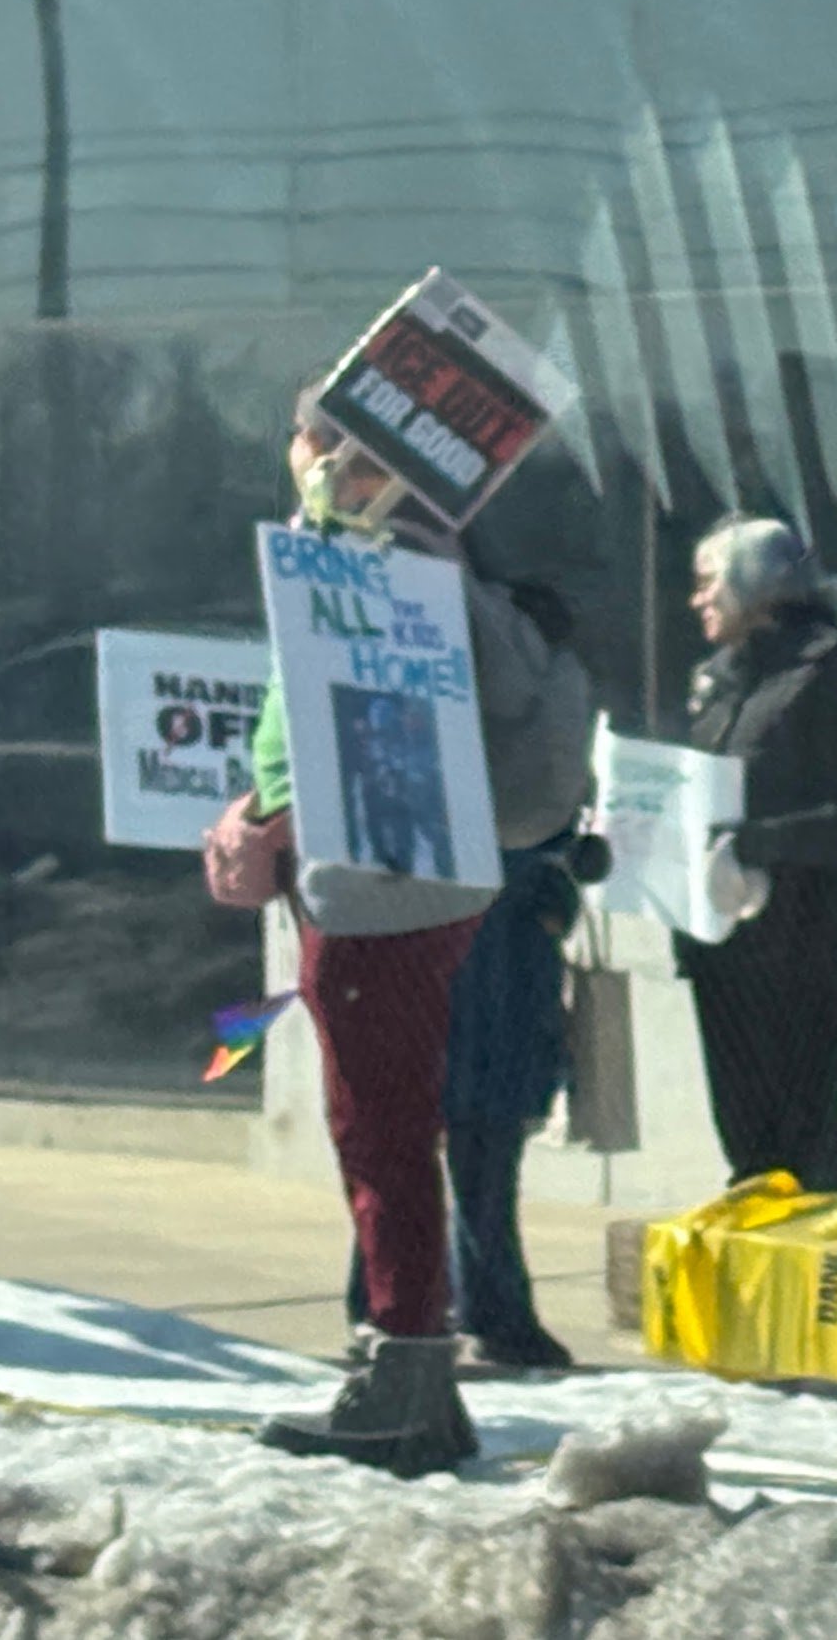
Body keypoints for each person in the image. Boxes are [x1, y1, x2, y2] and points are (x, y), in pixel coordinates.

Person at [253, 395, 540, 1475]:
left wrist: (270, 818)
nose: (307, 459)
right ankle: (416, 1380)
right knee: (377, 1123)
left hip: (382, 879)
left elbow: (360, 716)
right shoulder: (364, 556)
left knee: (380, 1130)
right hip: (377, 872)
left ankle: (404, 1379)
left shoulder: (384, 561)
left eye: (324, 443)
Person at [346, 579, 596, 1371]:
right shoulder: (532, 683)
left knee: (412, 1131)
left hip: (445, 918)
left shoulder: (453, 684)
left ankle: (389, 1299)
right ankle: (484, 1308)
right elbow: (548, 802)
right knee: (477, 1132)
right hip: (497, 928)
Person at [672, 517, 837, 1193]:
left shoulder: (829, 672)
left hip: (798, 947)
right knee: (747, 1142)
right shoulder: (718, 680)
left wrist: (753, 843)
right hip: (722, 946)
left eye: (709, 582)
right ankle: (767, 1292)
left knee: (809, 1133)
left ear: (754, 587)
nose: (696, 599)